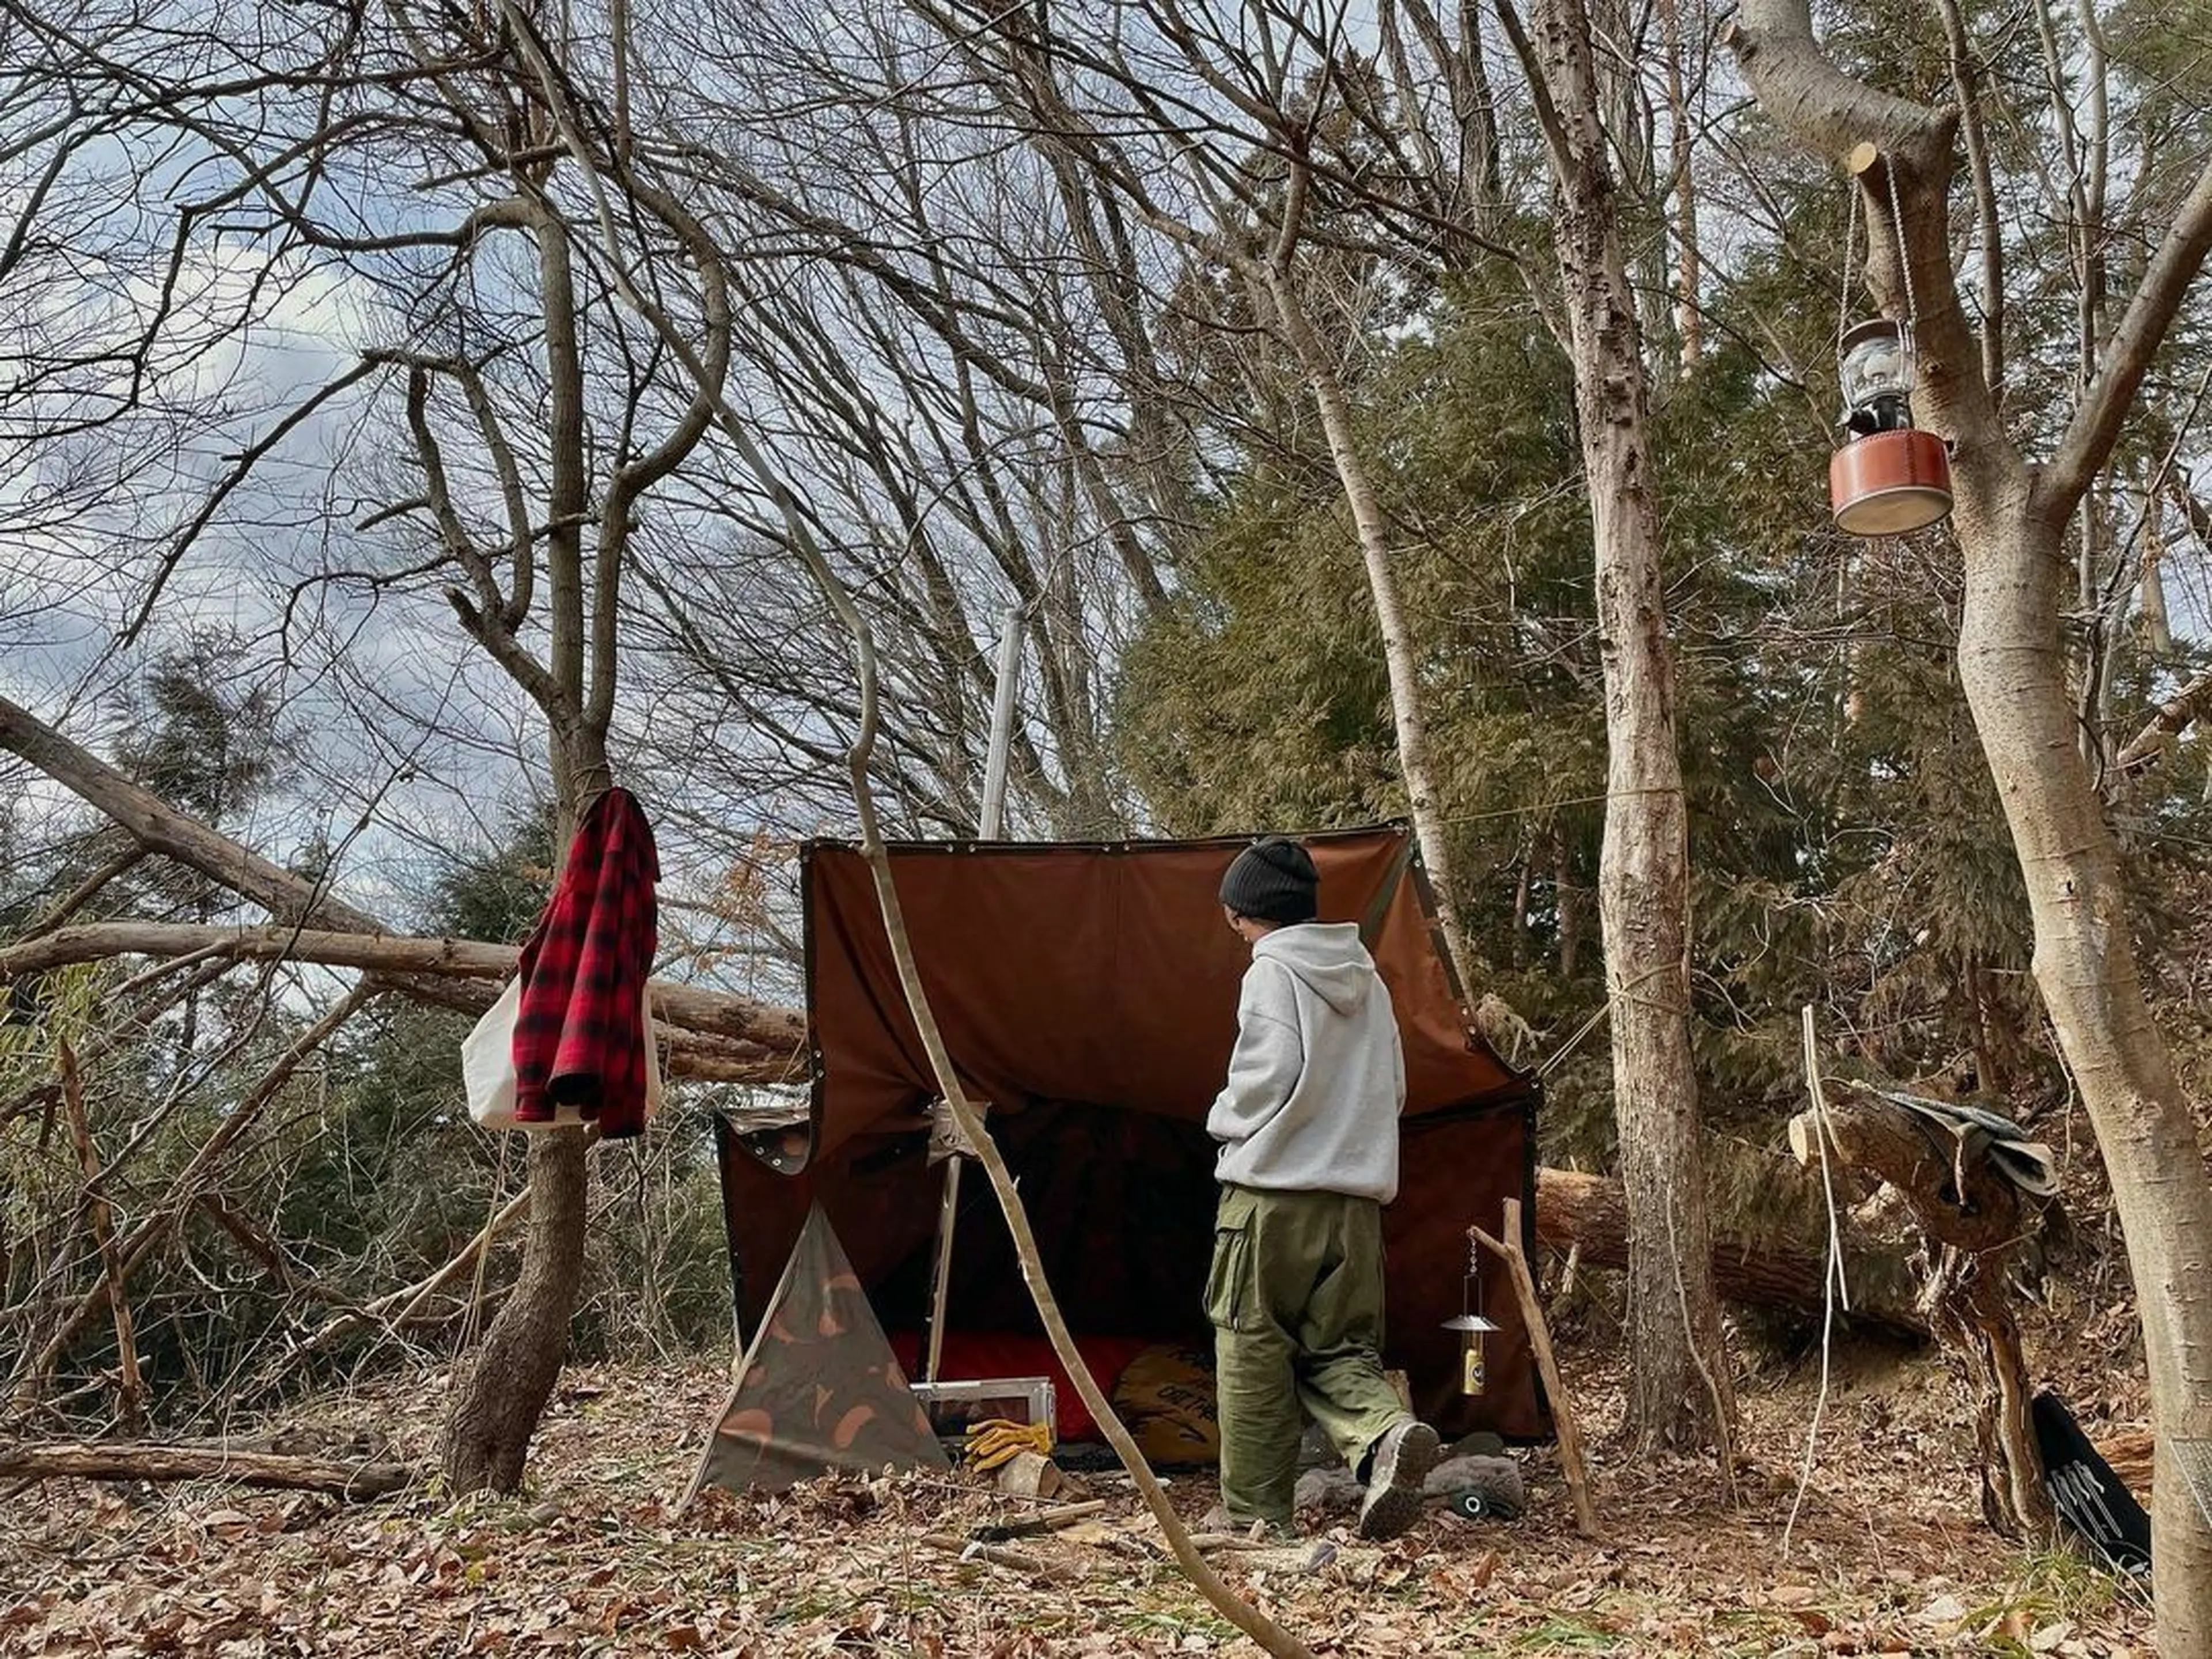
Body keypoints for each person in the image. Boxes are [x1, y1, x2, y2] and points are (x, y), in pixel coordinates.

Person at [1202, 835, 1441, 1541]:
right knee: (1339, 1351)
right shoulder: (1367, 979)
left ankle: (1255, 1521)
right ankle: (1385, 1435)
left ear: (1247, 911)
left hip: (1273, 1200)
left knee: (1251, 1348)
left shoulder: (1270, 972)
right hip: (1355, 1205)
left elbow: (1263, 1077)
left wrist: (1223, 1122)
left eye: (1234, 909)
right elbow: (1391, 1088)